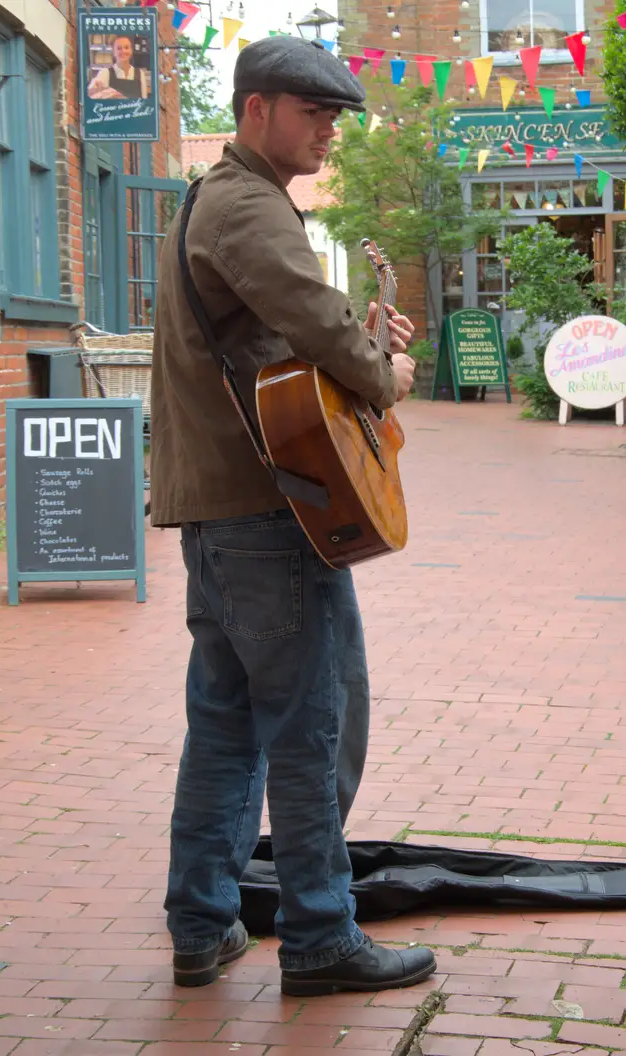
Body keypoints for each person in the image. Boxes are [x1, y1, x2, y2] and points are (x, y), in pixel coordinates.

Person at [148, 36, 433, 997]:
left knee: (226, 724)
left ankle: (201, 923)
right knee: (310, 729)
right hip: (272, 514)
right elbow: (314, 329)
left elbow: (275, 337)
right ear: (256, 108)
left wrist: (353, 328)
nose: (327, 129)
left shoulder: (229, 203)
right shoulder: (244, 204)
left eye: (335, 116)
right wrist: (382, 373)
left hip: (229, 513)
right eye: (313, 112)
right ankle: (320, 937)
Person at [87, 34, 150, 100]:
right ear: (114, 52)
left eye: (126, 47)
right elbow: (92, 95)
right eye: (119, 48)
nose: (123, 51)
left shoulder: (140, 74)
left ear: (131, 51)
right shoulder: (105, 73)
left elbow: (144, 101)